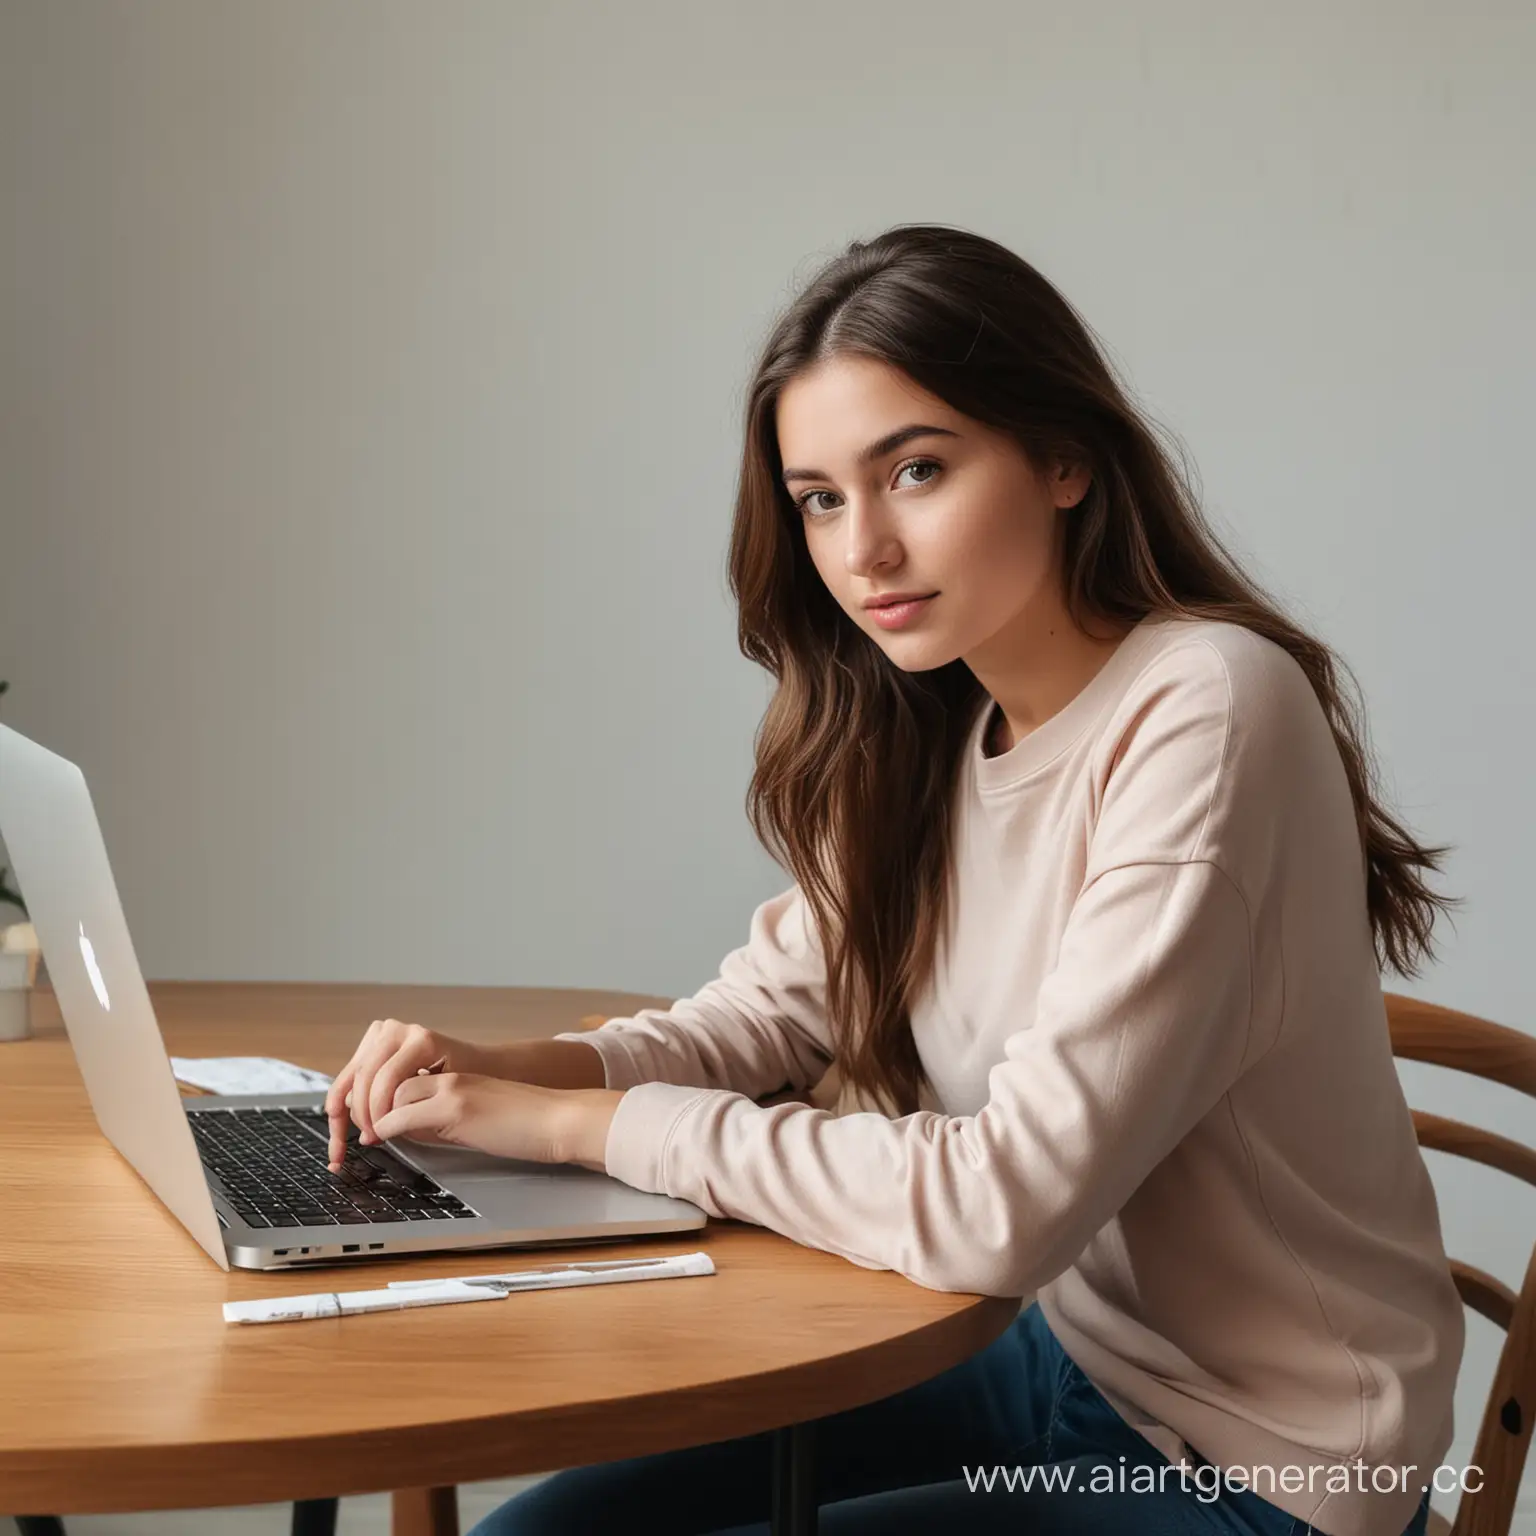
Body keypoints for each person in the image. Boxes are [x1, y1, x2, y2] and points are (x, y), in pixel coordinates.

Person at [325, 224, 1464, 1536]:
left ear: (1064, 459)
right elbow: (764, 1021)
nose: (862, 548)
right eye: (818, 498)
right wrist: (507, 1077)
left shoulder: (1205, 707)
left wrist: (583, 1131)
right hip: (1067, 1367)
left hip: (1269, 1469)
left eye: (914, 470)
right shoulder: (941, 724)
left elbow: (1003, 1206)